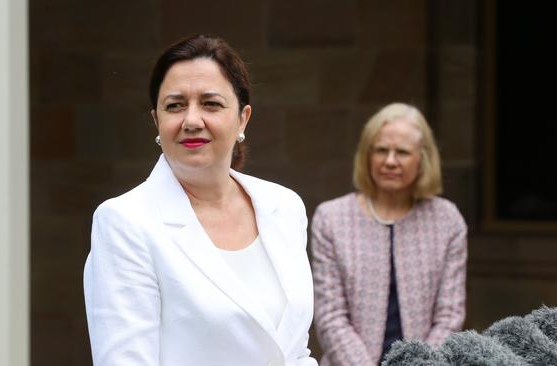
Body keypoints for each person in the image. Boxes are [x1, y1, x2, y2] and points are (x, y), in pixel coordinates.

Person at [83, 34, 318, 366]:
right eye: (175, 105)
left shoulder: (284, 206)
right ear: (156, 120)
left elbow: (293, 351)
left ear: (243, 118)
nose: (192, 121)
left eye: (211, 103)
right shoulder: (124, 221)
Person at [311, 103, 467, 366]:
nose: (390, 161)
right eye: (381, 150)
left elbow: (450, 316)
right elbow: (330, 316)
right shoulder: (331, 218)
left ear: (423, 158)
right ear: (367, 155)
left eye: (403, 152)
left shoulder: (447, 220)